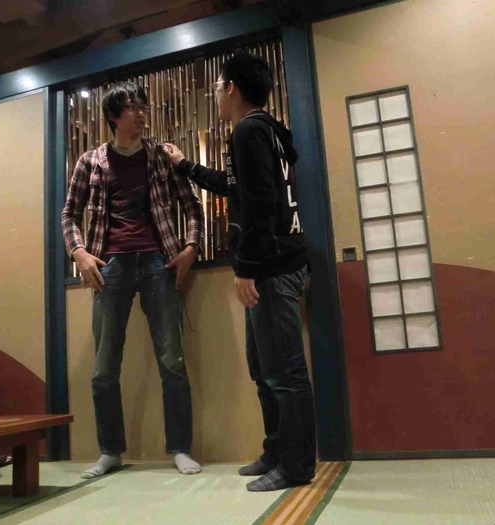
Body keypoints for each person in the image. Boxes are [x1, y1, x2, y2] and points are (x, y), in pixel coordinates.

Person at [163, 52, 317, 492]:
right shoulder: (266, 130)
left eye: (216, 86)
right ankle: (276, 452)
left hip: (272, 268)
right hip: (278, 264)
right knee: (264, 369)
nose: (215, 94)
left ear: (231, 87)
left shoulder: (249, 131)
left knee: (284, 372)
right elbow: (237, 188)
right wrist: (185, 166)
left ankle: (296, 465)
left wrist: (247, 268)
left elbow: (261, 203)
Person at [61, 81, 206, 479]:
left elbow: (192, 206)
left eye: (143, 106)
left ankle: (180, 448)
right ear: (113, 116)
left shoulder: (161, 156)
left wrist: (191, 247)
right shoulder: (90, 161)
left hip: (158, 262)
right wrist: (78, 252)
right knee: (104, 367)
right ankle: (110, 452)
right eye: (132, 107)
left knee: (172, 361)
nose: (141, 113)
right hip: (110, 266)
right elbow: (69, 214)